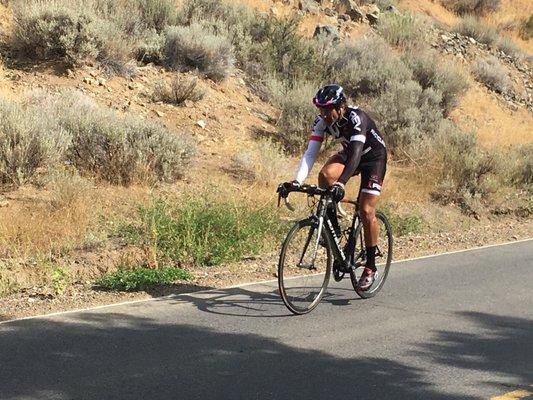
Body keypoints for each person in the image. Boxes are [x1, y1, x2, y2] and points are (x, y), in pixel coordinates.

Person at [283, 84, 387, 290]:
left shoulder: (356, 118)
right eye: (320, 110)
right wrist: (296, 181)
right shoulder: (321, 122)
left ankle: (371, 267)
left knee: (366, 211)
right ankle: (334, 229)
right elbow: (311, 153)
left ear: (340, 107)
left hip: (372, 158)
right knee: (325, 175)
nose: (323, 114)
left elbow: (357, 153)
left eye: (327, 109)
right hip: (350, 154)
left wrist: (341, 183)